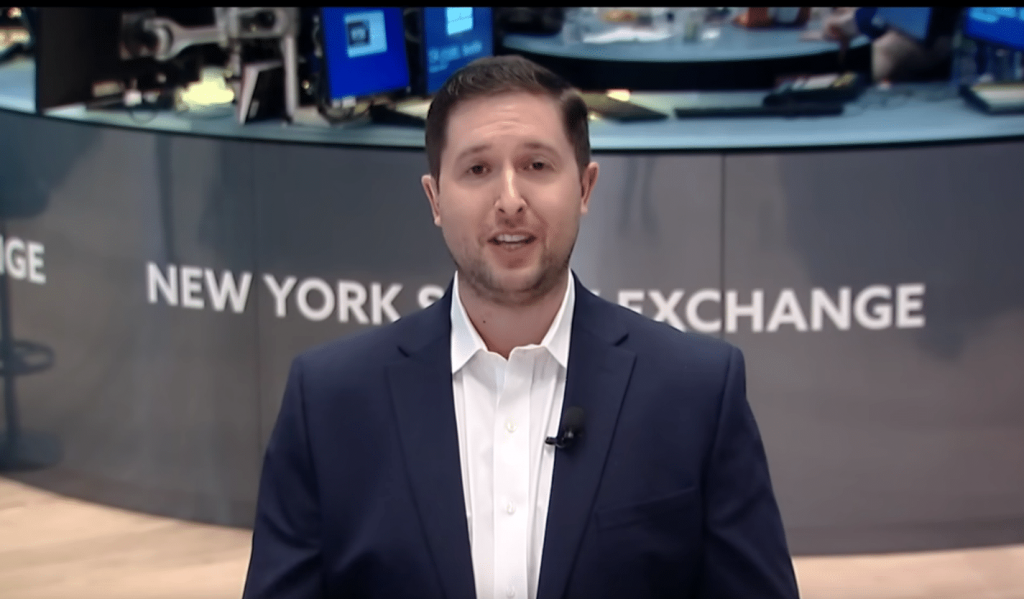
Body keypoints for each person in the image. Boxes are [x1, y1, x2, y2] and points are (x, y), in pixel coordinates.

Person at [242, 55, 799, 599]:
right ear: (435, 198)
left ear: (585, 188)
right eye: (477, 170)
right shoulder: (330, 400)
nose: (509, 201)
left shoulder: (696, 392)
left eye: (536, 166)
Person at [806, 7, 963, 82]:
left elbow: (919, 19)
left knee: (886, 48)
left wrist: (855, 21)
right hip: (924, 31)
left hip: (948, 42)